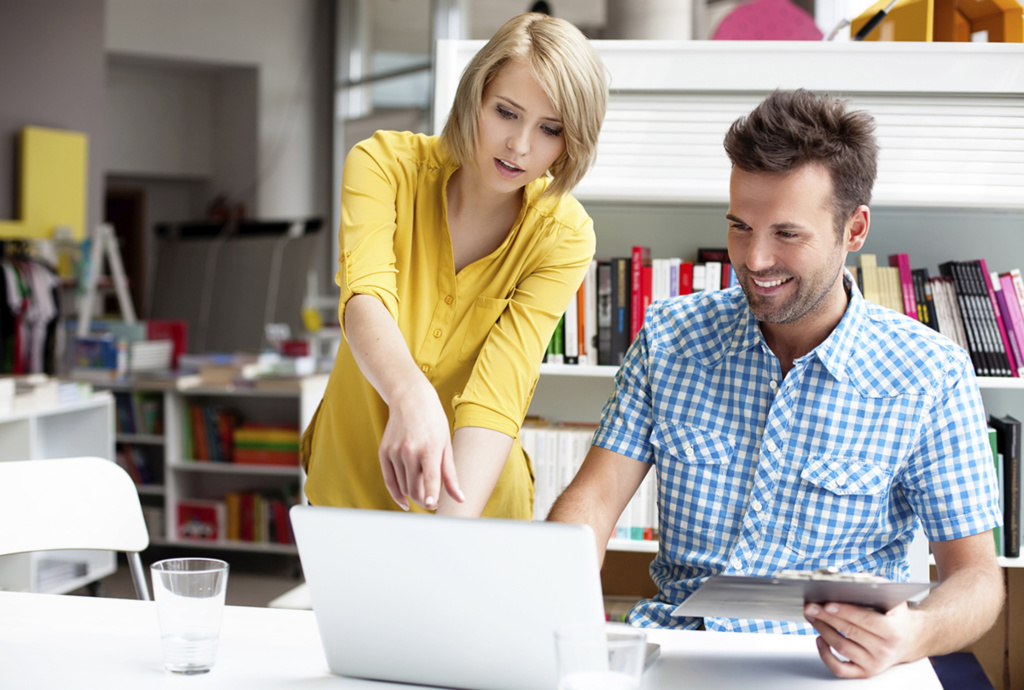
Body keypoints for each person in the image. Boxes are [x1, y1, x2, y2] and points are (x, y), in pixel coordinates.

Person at [548, 89, 1004, 679]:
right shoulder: (669, 337)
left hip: (831, 665)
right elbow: (595, 501)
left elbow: (977, 578)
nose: (755, 259)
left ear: (854, 229)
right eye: (741, 226)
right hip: (681, 650)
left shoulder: (930, 374)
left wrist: (913, 632)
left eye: (787, 234)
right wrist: (555, 607)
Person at [301, 12, 608, 519]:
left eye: (550, 129)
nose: (521, 146)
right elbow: (365, 298)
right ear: (475, 97)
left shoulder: (564, 235)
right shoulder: (382, 166)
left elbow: (499, 389)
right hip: (350, 486)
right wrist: (410, 395)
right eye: (506, 112)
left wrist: (447, 539)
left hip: (475, 499)